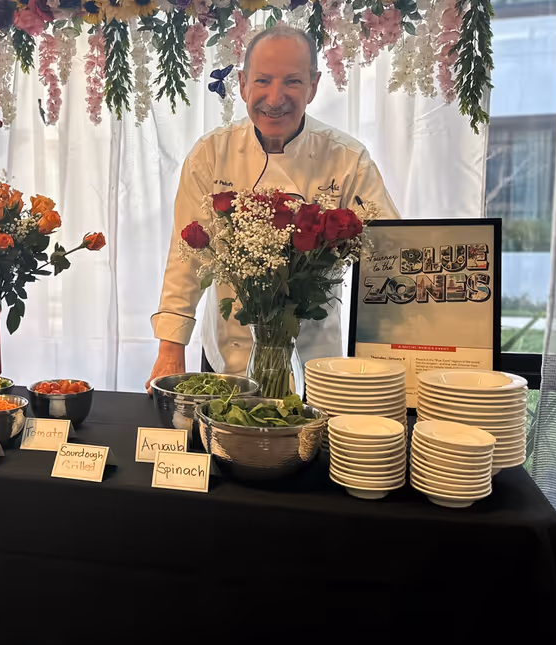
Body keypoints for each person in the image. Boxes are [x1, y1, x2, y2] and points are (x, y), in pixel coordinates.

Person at [146, 24, 399, 391]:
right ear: (243, 84)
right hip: (227, 358)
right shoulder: (212, 154)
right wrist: (171, 346)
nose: (275, 98)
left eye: (292, 82)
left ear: (313, 85)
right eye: (263, 81)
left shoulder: (346, 159)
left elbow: (387, 251)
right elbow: (187, 259)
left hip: (315, 359)